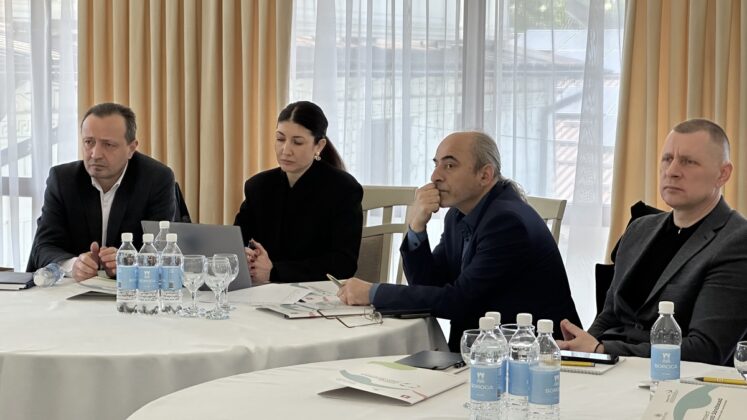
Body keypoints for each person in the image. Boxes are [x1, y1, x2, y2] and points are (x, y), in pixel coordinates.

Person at [337, 131, 581, 351]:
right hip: (486, 350)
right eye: (436, 165)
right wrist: (416, 227)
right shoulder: (458, 214)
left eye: (449, 165)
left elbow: (458, 301)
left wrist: (374, 293)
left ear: (485, 175)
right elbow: (429, 284)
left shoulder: (507, 222)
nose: (435, 176)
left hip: (532, 356)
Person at [558, 118, 747, 366]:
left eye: (688, 162)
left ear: (723, 174)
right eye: (667, 159)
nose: (672, 171)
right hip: (611, 368)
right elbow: (609, 316)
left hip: (672, 378)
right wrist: (581, 351)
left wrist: (602, 350)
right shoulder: (640, 229)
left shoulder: (736, 241)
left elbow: (705, 350)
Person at [26, 102, 176, 281]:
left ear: (131, 148)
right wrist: (74, 265)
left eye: (108, 144)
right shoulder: (62, 179)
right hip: (73, 290)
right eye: (89, 142)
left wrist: (129, 263)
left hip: (133, 288)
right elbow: (43, 247)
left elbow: (161, 250)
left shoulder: (156, 179)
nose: (95, 154)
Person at [233, 101, 363, 284]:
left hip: (316, 292)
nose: (285, 150)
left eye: (297, 142)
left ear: (319, 146)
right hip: (260, 290)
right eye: (280, 139)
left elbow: (343, 263)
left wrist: (274, 272)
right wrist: (244, 255)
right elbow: (237, 240)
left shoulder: (344, 189)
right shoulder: (258, 186)